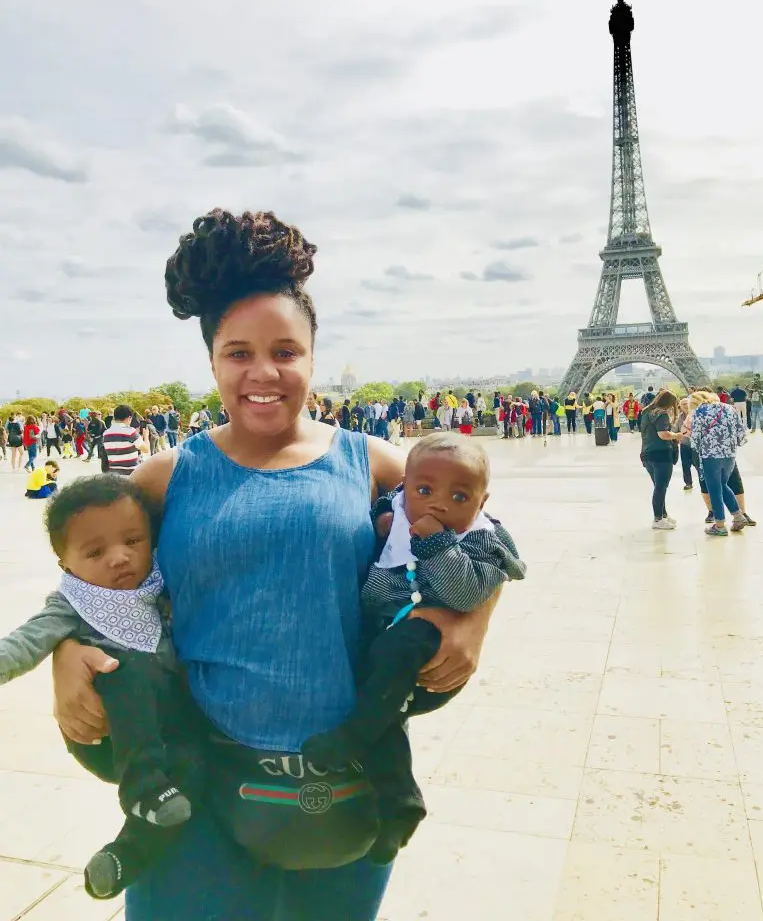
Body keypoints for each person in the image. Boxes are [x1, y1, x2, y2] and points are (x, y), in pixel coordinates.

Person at [51, 208, 497, 920]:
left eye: (286, 351)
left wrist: (468, 619)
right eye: (238, 353)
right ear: (212, 363)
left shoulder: (370, 462)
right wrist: (64, 657)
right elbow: (86, 577)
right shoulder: (168, 477)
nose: (264, 372)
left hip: (344, 779)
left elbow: (483, 532)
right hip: (199, 784)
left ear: (314, 358)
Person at [302, 433, 525, 862]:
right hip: (383, 655)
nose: (438, 504)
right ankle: (400, 805)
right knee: (379, 705)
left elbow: (466, 594)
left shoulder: (477, 539)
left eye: (459, 496)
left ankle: (351, 738)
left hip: (425, 654)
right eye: (424, 491)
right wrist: (386, 516)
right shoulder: (397, 510)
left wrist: (435, 545)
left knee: (389, 669)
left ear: (481, 503)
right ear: (405, 487)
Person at [1, 475, 204, 898]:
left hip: (166, 743)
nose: (119, 558)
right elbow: (24, 643)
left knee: (192, 778)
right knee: (127, 666)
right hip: (107, 740)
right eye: (95, 552)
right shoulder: (70, 604)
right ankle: (142, 787)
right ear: (65, 564)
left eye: (133, 541)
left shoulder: (160, 587)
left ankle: (123, 858)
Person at [690, 389, 748, 536]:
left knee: (714, 489)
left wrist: (697, 450)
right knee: (723, 485)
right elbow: (741, 431)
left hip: (710, 455)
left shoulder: (699, 412)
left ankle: (720, 525)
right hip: (729, 454)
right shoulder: (729, 408)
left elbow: (695, 437)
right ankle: (738, 516)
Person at [639, 390, 682, 530]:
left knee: (658, 486)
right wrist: (677, 435)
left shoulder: (646, 411)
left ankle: (663, 514)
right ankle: (658, 519)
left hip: (647, 453)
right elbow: (663, 434)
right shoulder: (661, 414)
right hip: (661, 454)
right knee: (661, 487)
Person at [102, 405, 142, 476]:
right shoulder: (131, 432)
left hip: (114, 473)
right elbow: (146, 449)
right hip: (131, 473)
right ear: (129, 418)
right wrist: (145, 436)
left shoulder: (106, 433)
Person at [674, 397, 694, 490]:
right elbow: (675, 430)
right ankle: (688, 483)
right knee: (685, 465)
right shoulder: (679, 417)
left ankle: (704, 483)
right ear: (680, 407)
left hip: (695, 445)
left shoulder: (695, 414)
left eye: (686, 404)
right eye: (683, 405)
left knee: (699, 466)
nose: (685, 406)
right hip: (684, 444)